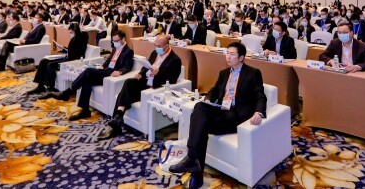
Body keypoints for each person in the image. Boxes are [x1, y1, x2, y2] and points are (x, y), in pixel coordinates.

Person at [168, 42, 266, 189]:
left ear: (241, 57)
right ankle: (193, 161)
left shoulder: (253, 73)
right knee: (199, 107)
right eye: (227, 53)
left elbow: (260, 95)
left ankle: (195, 170)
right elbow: (214, 91)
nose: (228, 57)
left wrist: (258, 112)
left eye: (232, 54)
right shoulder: (224, 73)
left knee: (200, 127)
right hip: (221, 110)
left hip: (236, 115)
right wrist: (208, 99)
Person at [39, 30, 135, 120]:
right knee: (86, 80)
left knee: (88, 71)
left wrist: (120, 72)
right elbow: (109, 60)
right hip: (106, 71)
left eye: (116, 41)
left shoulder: (128, 51)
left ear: (123, 39)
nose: (114, 43)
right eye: (113, 41)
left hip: (111, 74)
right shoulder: (115, 48)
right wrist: (102, 66)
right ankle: (85, 110)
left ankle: (68, 92)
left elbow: (128, 66)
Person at [98, 35, 182, 137]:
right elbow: (146, 67)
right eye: (155, 45)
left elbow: (172, 79)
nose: (156, 48)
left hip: (155, 87)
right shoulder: (154, 53)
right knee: (129, 82)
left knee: (123, 94)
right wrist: (140, 74)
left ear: (166, 46)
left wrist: (158, 73)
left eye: (159, 46)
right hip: (145, 82)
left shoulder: (175, 60)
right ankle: (117, 118)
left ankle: (117, 119)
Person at [27, 23, 89, 95]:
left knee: (50, 65)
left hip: (71, 61)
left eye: (71, 32)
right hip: (67, 57)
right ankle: (40, 86)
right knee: (43, 61)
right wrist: (63, 48)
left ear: (75, 31)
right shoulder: (75, 38)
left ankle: (50, 88)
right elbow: (71, 49)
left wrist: (67, 49)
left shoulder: (80, 38)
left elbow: (76, 52)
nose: (70, 34)